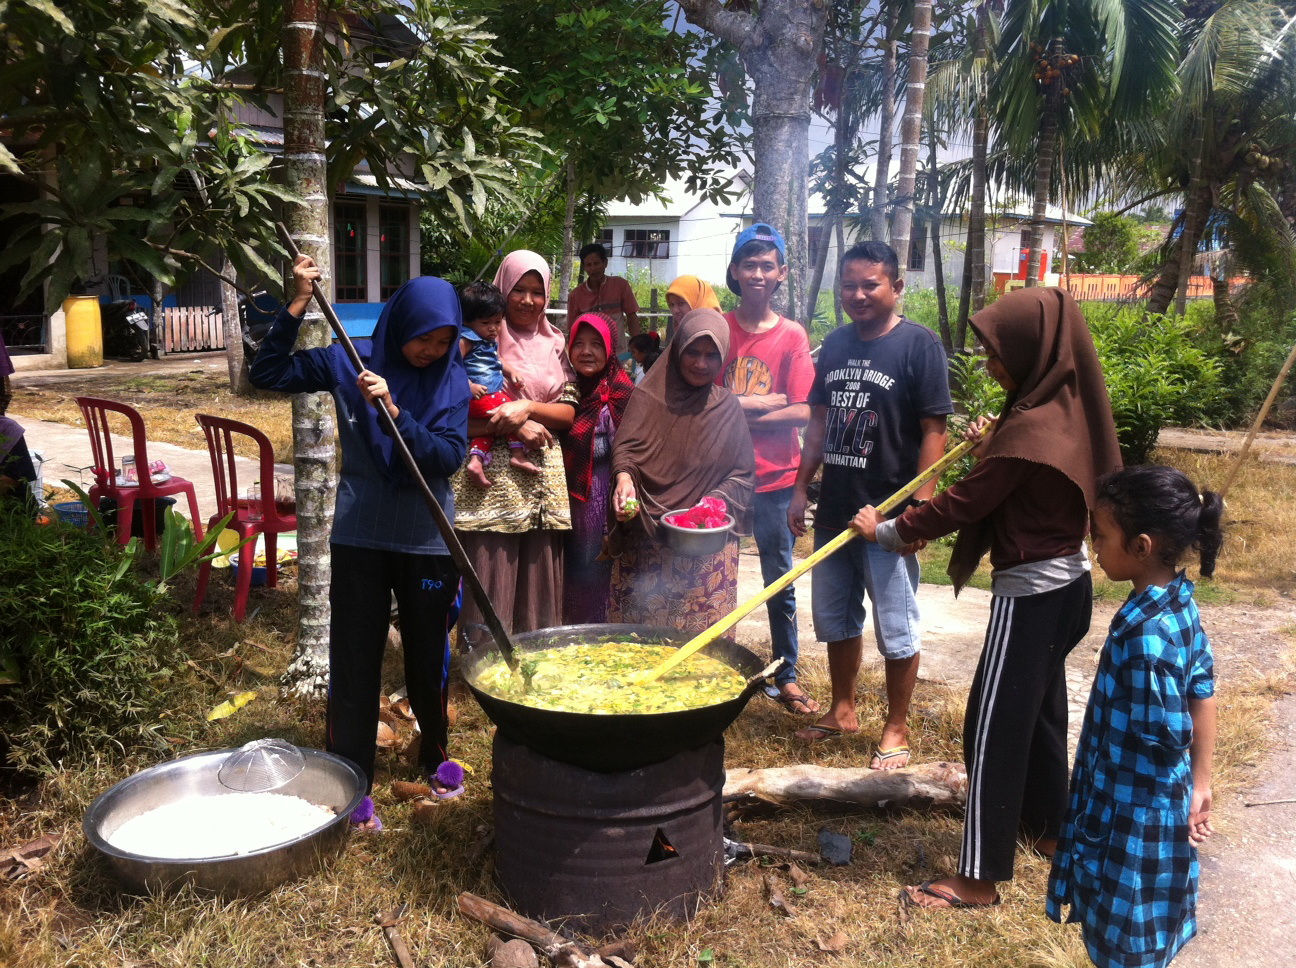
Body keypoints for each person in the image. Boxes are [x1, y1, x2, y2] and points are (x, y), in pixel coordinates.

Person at [852, 286, 1122, 910]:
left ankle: (979, 878)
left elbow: (965, 502)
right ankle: (1052, 832)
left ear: (1032, 349)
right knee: (1042, 718)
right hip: (1069, 590)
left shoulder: (1029, 428)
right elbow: (1007, 465)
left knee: (992, 730)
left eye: (998, 353)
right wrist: (995, 438)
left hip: (1030, 596)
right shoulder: (1060, 408)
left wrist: (887, 530)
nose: (990, 364)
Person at [249, 256, 471, 829]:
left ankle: (436, 754)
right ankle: (352, 778)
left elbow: (450, 457)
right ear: (401, 326)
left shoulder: (451, 380)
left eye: (445, 340)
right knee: (354, 659)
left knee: (428, 656)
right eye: (425, 338)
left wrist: (397, 412)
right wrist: (297, 301)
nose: (433, 350)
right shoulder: (351, 362)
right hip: (361, 535)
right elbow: (267, 372)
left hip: (427, 539)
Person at [1047, 465, 1220, 968]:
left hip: (1132, 819)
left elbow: (1164, 737)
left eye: (1100, 535)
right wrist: (1201, 782)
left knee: (1125, 939)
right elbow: (1202, 690)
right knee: (1147, 934)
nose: (1093, 544)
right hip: (1159, 810)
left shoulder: (1147, 641)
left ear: (1141, 546)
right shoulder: (1177, 604)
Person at [788, 242, 951, 764]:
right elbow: (818, 423)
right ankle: (842, 709)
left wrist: (917, 511)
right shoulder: (834, 345)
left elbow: (934, 430)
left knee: (896, 624)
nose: (857, 295)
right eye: (848, 286)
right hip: (836, 509)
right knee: (836, 618)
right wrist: (799, 488)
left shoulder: (918, 345)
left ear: (897, 287)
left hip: (888, 517)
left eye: (870, 285)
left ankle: (897, 728)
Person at [453, 250, 578, 637]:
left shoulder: (556, 343)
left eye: (537, 292)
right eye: (518, 290)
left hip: (541, 476)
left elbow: (568, 413)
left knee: (537, 568)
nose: (527, 300)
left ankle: (534, 654)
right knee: (492, 564)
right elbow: (454, 415)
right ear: (502, 291)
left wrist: (526, 408)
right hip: (491, 479)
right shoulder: (476, 343)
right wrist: (507, 427)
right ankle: (481, 660)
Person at [719, 222, 817, 715]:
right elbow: (704, 401)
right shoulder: (719, 328)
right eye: (748, 265)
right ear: (734, 272)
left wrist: (739, 405)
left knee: (779, 579)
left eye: (766, 266)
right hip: (722, 477)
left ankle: (786, 673)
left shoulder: (792, 335)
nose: (757, 273)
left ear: (781, 273)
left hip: (777, 479)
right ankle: (711, 661)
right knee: (711, 573)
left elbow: (803, 409)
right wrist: (767, 397)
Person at [608, 309, 755, 636]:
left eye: (711, 355)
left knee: (702, 654)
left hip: (705, 550)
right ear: (677, 349)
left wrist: (710, 506)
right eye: (693, 351)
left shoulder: (727, 409)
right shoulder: (647, 397)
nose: (701, 363)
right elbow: (627, 451)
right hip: (647, 540)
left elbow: (742, 475)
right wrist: (624, 479)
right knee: (636, 645)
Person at [561, 312, 636, 624]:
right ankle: (573, 630)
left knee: (608, 568)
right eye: (579, 344)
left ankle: (605, 632)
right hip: (572, 499)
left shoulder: (624, 392)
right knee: (577, 567)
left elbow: (636, 446)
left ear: (610, 348)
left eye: (596, 344)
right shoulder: (563, 389)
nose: (587, 351)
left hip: (613, 496)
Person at [457, 281, 538, 487]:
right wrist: (468, 386)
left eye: (498, 322)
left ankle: (476, 461)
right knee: (509, 413)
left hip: (487, 394)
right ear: (467, 322)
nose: (493, 328)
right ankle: (518, 454)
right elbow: (452, 366)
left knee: (492, 428)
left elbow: (497, 361)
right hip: (481, 396)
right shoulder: (467, 339)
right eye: (486, 323)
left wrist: (513, 373)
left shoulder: (487, 341)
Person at [566, 243, 640, 349]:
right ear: (584, 267)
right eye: (589, 265)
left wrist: (638, 346)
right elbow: (573, 330)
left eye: (596, 263)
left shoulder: (620, 285)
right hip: (591, 355)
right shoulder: (575, 296)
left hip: (618, 354)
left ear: (605, 263)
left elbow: (632, 316)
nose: (593, 269)